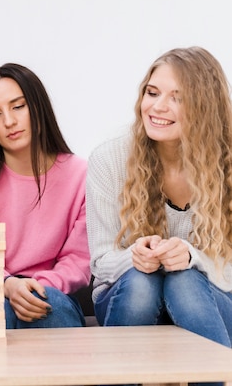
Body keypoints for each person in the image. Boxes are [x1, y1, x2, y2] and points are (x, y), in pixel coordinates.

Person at [87, 47, 232, 348]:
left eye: (177, 98)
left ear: (205, 108)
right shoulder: (109, 158)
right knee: (142, 282)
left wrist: (192, 257)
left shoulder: (226, 163)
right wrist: (136, 256)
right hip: (127, 298)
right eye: (152, 93)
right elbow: (100, 263)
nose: (158, 107)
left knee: (185, 280)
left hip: (213, 299)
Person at [0, 63, 90, 329]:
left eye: (18, 106)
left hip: (51, 288)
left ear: (37, 106)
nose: (9, 122)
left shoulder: (80, 175)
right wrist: (8, 285)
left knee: (51, 307)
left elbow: (78, 261)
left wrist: (34, 287)